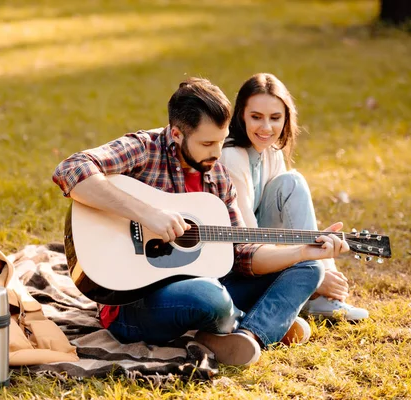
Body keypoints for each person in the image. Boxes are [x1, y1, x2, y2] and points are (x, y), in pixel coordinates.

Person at [52, 77, 349, 367]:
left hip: (211, 284)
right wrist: (146, 214)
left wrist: (300, 252)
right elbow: (71, 169)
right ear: (177, 134)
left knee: (309, 269)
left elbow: (243, 253)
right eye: (207, 143)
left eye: (221, 141)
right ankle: (261, 321)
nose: (217, 153)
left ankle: (247, 335)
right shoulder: (144, 148)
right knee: (208, 296)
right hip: (133, 304)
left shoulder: (218, 175)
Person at [219, 73, 368, 321]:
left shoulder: (271, 152)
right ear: (241, 116)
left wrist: (323, 267)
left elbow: (287, 220)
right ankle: (314, 288)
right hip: (238, 258)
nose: (266, 128)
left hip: (262, 248)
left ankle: (320, 289)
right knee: (293, 183)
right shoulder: (232, 156)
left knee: (292, 182)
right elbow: (249, 240)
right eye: (256, 117)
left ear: (286, 118)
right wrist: (311, 268)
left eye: (275, 118)